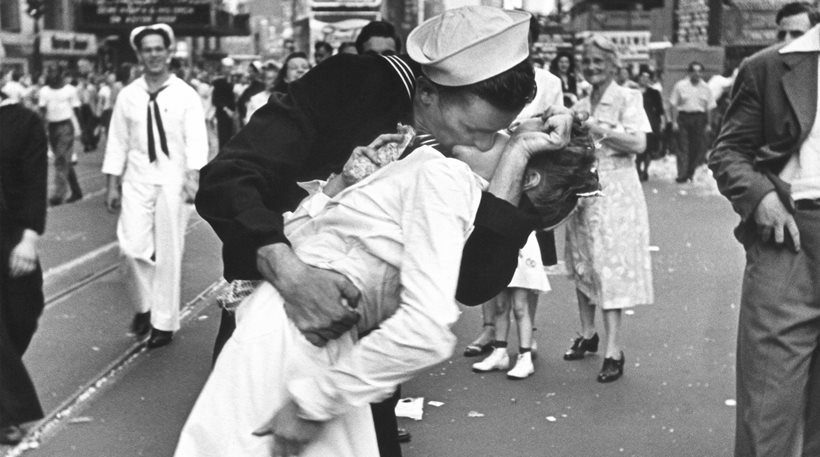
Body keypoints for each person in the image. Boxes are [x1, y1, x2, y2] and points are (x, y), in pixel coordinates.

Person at [195, 6, 573, 456]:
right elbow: (229, 177)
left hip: (357, 363)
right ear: (430, 93)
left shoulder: (459, 156)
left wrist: (523, 159)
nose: (480, 144)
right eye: (475, 130)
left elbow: (473, 282)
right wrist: (289, 271)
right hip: (283, 328)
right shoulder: (354, 84)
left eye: (496, 135)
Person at [176, 113, 597, 457]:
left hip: (299, 348)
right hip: (306, 349)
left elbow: (437, 317)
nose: (495, 131)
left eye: (505, 137)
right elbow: (302, 237)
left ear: (524, 174)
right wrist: (343, 184)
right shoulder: (436, 170)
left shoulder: (451, 183)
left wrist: (311, 403)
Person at [709, 20, 820, 457]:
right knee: (768, 406)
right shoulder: (769, 67)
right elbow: (728, 151)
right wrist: (761, 197)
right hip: (790, 237)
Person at [463, 14, 564, 359]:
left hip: (528, 177)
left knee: (525, 263)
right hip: (488, 169)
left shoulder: (548, 82)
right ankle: (490, 328)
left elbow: (556, 128)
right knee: (484, 246)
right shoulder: (484, 77)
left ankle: (527, 333)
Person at [102, 23, 208, 349]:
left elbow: (196, 140)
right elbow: (117, 142)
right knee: (131, 249)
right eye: (147, 49)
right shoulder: (128, 95)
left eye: (158, 49)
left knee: (169, 254)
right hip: (136, 180)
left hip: (173, 182)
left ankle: (163, 322)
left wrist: (193, 178)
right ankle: (144, 307)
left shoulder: (185, 94)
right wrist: (112, 185)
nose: (154, 55)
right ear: (139, 55)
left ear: (168, 52)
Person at [562, 34, 654, 384]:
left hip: (617, 192)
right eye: (587, 61)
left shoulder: (629, 98)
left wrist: (595, 127)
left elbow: (638, 143)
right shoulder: (581, 101)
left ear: (614, 64)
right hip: (584, 190)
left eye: (599, 62)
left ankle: (614, 350)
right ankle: (588, 333)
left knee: (610, 266)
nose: (592, 67)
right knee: (583, 262)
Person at [0, 81, 48, 445]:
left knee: (22, 315)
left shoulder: (23, 121)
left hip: (12, 234)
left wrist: (29, 238)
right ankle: (9, 414)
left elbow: (35, 181)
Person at [38, 66, 83, 206]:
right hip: (52, 127)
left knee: (61, 159)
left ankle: (58, 194)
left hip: (65, 127)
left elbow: (77, 109)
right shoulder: (44, 91)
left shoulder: (70, 90)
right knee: (64, 160)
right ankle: (76, 191)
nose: (52, 75)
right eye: (49, 72)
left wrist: (81, 129)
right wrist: (41, 129)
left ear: (61, 74)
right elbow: (42, 111)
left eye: (54, 72)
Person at [669, 61, 715, 183]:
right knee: (683, 147)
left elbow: (709, 107)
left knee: (696, 147)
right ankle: (682, 174)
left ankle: (690, 173)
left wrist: (709, 124)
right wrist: (674, 122)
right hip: (684, 118)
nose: (697, 74)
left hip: (699, 119)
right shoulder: (680, 86)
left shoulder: (706, 88)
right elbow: (673, 104)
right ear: (689, 73)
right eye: (694, 71)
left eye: (699, 71)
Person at [636, 69, 665, 181]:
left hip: (651, 123)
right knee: (638, 149)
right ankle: (638, 169)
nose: (644, 80)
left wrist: (662, 123)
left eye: (647, 78)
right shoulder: (633, 92)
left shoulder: (654, 92)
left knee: (648, 148)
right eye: (642, 77)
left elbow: (660, 110)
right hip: (636, 123)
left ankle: (646, 170)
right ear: (639, 79)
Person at [212, 57, 236, 148]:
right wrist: (226, 109)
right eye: (226, 67)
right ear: (222, 68)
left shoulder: (232, 80)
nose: (228, 69)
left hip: (232, 114)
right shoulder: (218, 82)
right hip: (223, 114)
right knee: (223, 138)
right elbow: (216, 100)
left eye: (230, 67)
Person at [237, 61, 265, 127]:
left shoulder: (260, 86)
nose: (249, 74)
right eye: (249, 71)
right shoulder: (250, 87)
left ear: (257, 72)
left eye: (251, 71)